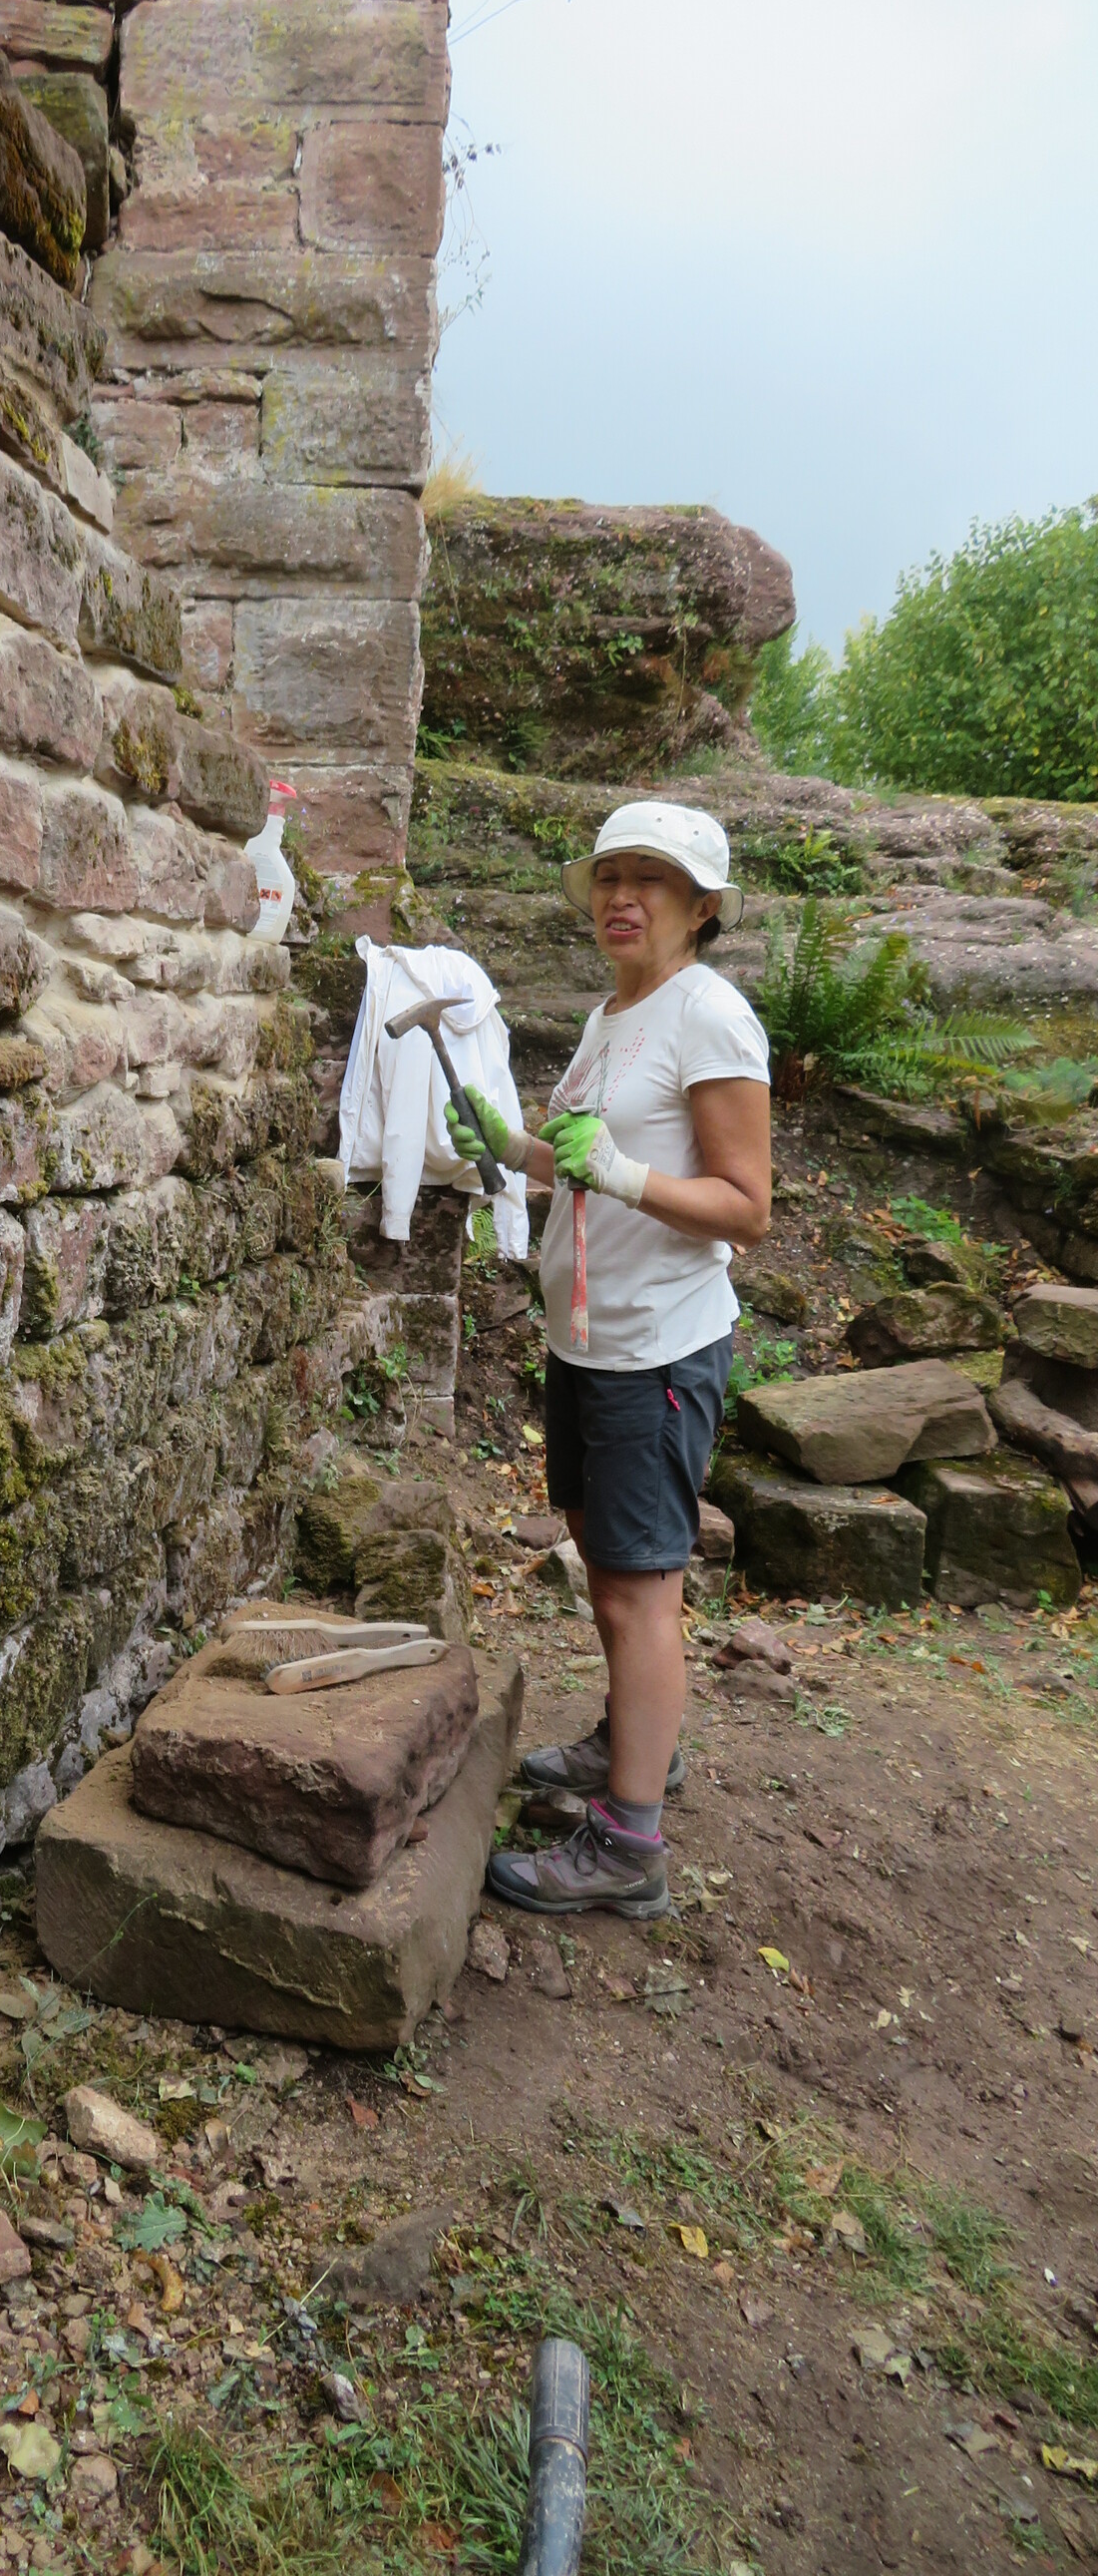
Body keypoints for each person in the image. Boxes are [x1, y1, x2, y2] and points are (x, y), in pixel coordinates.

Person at [447, 801, 772, 1920]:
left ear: (703, 906)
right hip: (587, 1339)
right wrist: (514, 1148)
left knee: (640, 1590)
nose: (622, 896)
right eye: (609, 875)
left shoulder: (709, 1016)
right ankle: (640, 1746)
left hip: (657, 1349)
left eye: (652, 879)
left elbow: (746, 1207)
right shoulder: (612, 1012)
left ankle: (631, 1846)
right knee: (602, 1553)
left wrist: (623, 1175)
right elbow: (584, 1161)